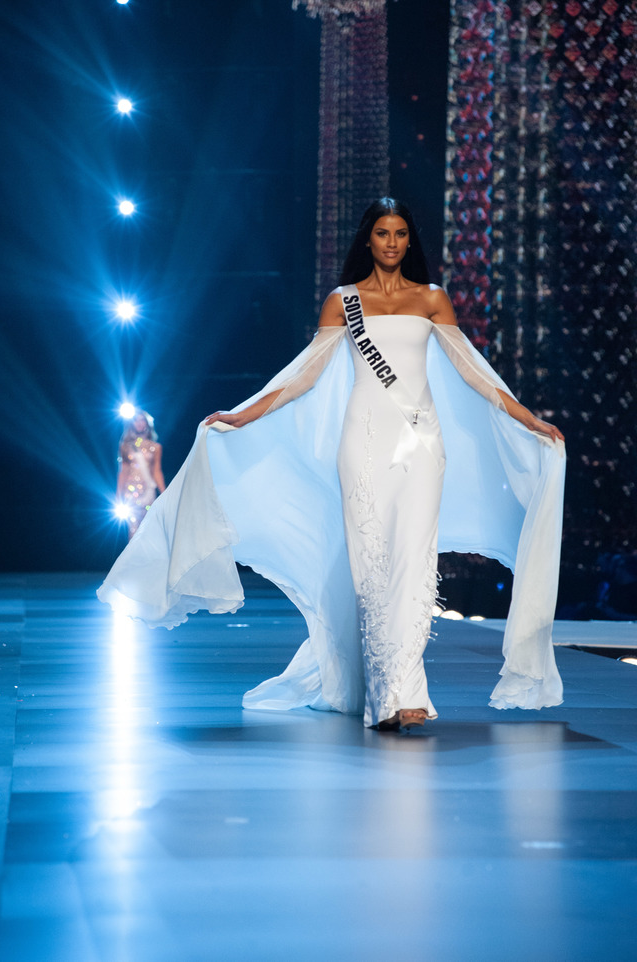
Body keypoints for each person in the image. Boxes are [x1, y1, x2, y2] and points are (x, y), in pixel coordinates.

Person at [98, 198, 566, 731]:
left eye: (400, 234)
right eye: (382, 234)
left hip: (420, 445)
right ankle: (384, 694)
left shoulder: (432, 300)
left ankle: (404, 693)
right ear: (368, 240)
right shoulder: (342, 303)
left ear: (410, 241)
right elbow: (304, 376)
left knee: (414, 563)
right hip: (362, 442)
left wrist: (529, 419)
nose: (391, 243)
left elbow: (474, 373)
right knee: (371, 569)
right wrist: (242, 415)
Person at [116, 410, 166, 539]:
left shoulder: (156, 447)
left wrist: (164, 493)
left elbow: (156, 471)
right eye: (136, 420)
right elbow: (123, 471)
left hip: (148, 490)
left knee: (150, 528)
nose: (139, 423)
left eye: (142, 420)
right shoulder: (125, 447)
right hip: (131, 491)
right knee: (133, 530)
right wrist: (118, 495)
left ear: (147, 423)